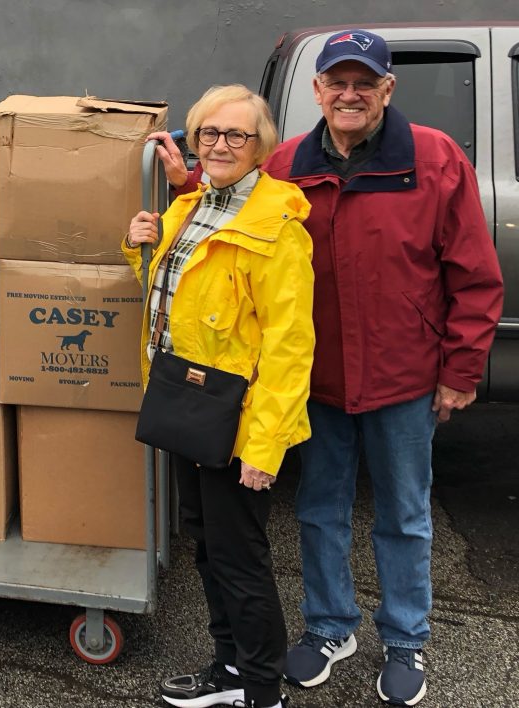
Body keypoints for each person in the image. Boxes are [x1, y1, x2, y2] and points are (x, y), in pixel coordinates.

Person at [157, 29, 505, 706]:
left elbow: (475, 273)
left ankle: (405, 640)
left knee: (403, 514)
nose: (350, 94)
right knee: (319, 509)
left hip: (403, 377)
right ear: (317, 92)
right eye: (336, 83)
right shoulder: (289, 160)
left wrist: (461, 370)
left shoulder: (434, 160)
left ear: (386, 90)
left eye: (364, 83)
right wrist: (190, 181)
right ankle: (329, 628)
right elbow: (239, 197)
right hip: (320, 380)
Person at [125, 84, 314, 708]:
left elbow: (290, 347)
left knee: (239, 557)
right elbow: (173, 296)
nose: (221, 145)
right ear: (195, 141)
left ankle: (263, 689)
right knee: (206, 543)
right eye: (209, 133)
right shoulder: (194, 205)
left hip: (237, 418)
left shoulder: (277, 227)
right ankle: (230, 670)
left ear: (261, 147)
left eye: (237, 136)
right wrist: (142, 245)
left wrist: (266, 446)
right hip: (187, 403)